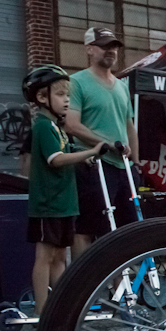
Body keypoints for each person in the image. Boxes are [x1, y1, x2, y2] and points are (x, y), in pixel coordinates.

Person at [24, 65, 107, 315]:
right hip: (48, 203)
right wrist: (90, 151)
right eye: (60, 94)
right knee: (45, 257)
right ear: (41, 97)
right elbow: (55, 159)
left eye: (68, 95)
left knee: (61, 257)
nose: (67, 100)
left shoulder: (57, 128)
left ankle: (60, 308)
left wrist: (83, 157)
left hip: (64, 203)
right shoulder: (42, 126)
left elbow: (66, 152)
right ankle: (41, 309)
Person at [64, 28, 137, 258]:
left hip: (123, 168)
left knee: (122, 230)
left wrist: (136, 162)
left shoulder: (122, 86)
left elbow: (129, 126)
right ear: (89, 49)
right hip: (93, 164)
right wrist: (108, 144)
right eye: (104, 46)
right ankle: (83, 287)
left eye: (113, 46)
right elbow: (72, 124)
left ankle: (118, 288)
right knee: (86, 228)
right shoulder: (76, 82)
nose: (111, 51)